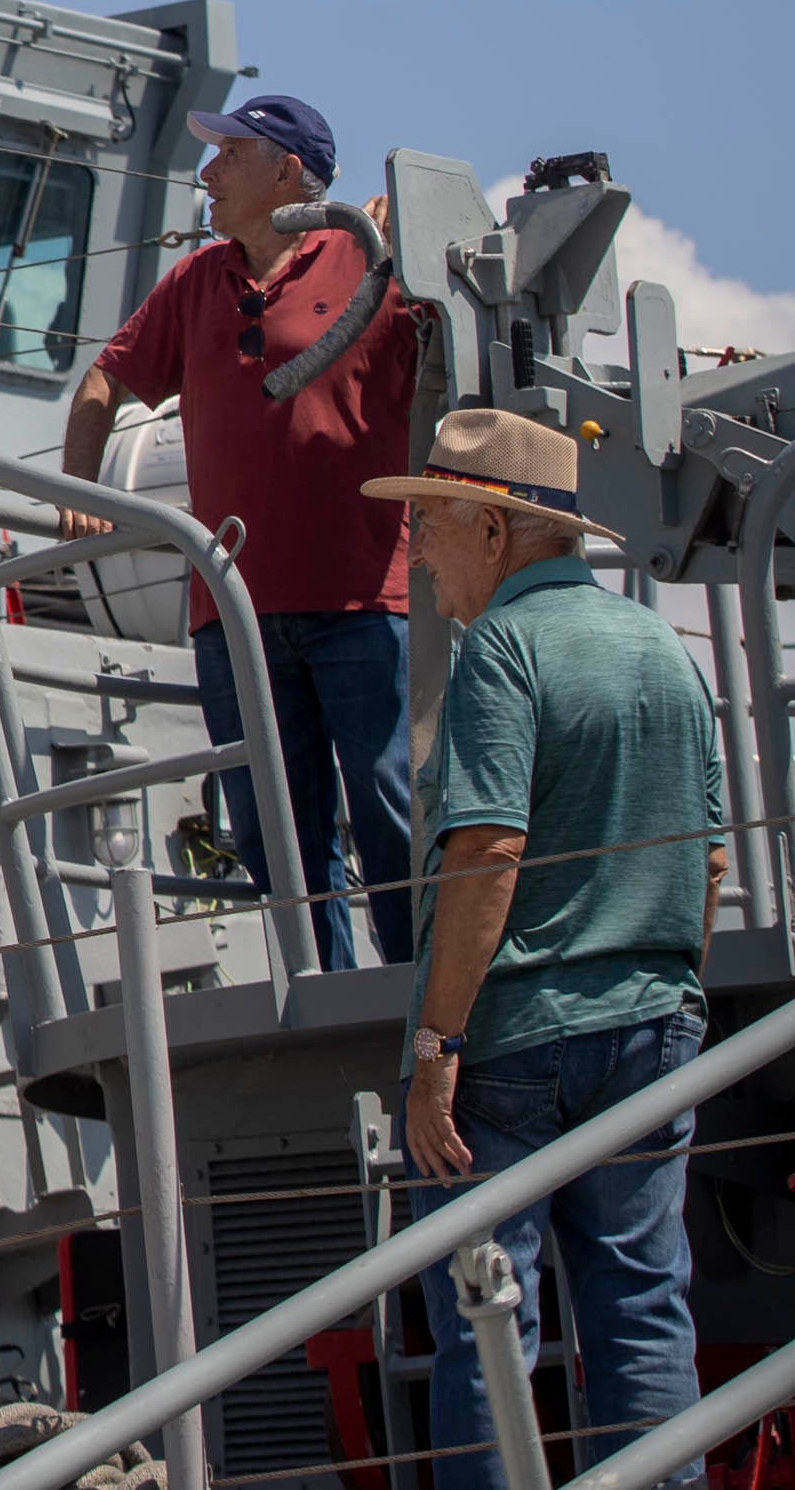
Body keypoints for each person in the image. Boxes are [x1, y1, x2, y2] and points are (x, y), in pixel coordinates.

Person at [379, 409, 725, 1490]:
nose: (415, 552)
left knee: (487, 1311)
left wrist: (437, 1045)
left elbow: (486, 852)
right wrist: (658, 992)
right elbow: (708, 865)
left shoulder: (502, 650)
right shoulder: (664, 651)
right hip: (651, 1029)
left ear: (494, 529)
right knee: (641, 1306)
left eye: (430, 524)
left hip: (514, 1047)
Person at [60, 92, 428, 970]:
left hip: (358, 598)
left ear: (288, 174)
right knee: (270, 825)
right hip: (232, 610)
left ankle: (423, 1003)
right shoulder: (198, 280)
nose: (208, 171)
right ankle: (328, 994)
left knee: (386, 808)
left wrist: (409, 243)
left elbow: (464, 350)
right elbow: (105, 381)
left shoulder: (375, 259)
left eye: (230, 153)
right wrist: (77, 493)